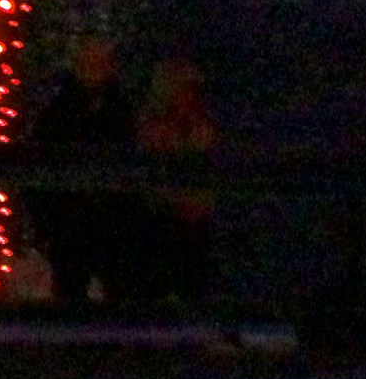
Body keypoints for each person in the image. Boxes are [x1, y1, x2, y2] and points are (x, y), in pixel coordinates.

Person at [19, 32, 135, 304]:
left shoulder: (121, 112)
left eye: (101, 63)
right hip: (70, 224)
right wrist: (47, 222)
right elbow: (39, 169)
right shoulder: (58, 115)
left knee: (116, 292)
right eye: (90, 63)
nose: (96, 70)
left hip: (110, 222)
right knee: (72, 292)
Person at [115, 58, 218, 308]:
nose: (190, 97)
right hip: (160, 224)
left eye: (193, 91)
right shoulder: (152, 130)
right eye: (185, 90)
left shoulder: (202, 129)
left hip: (194, 226)